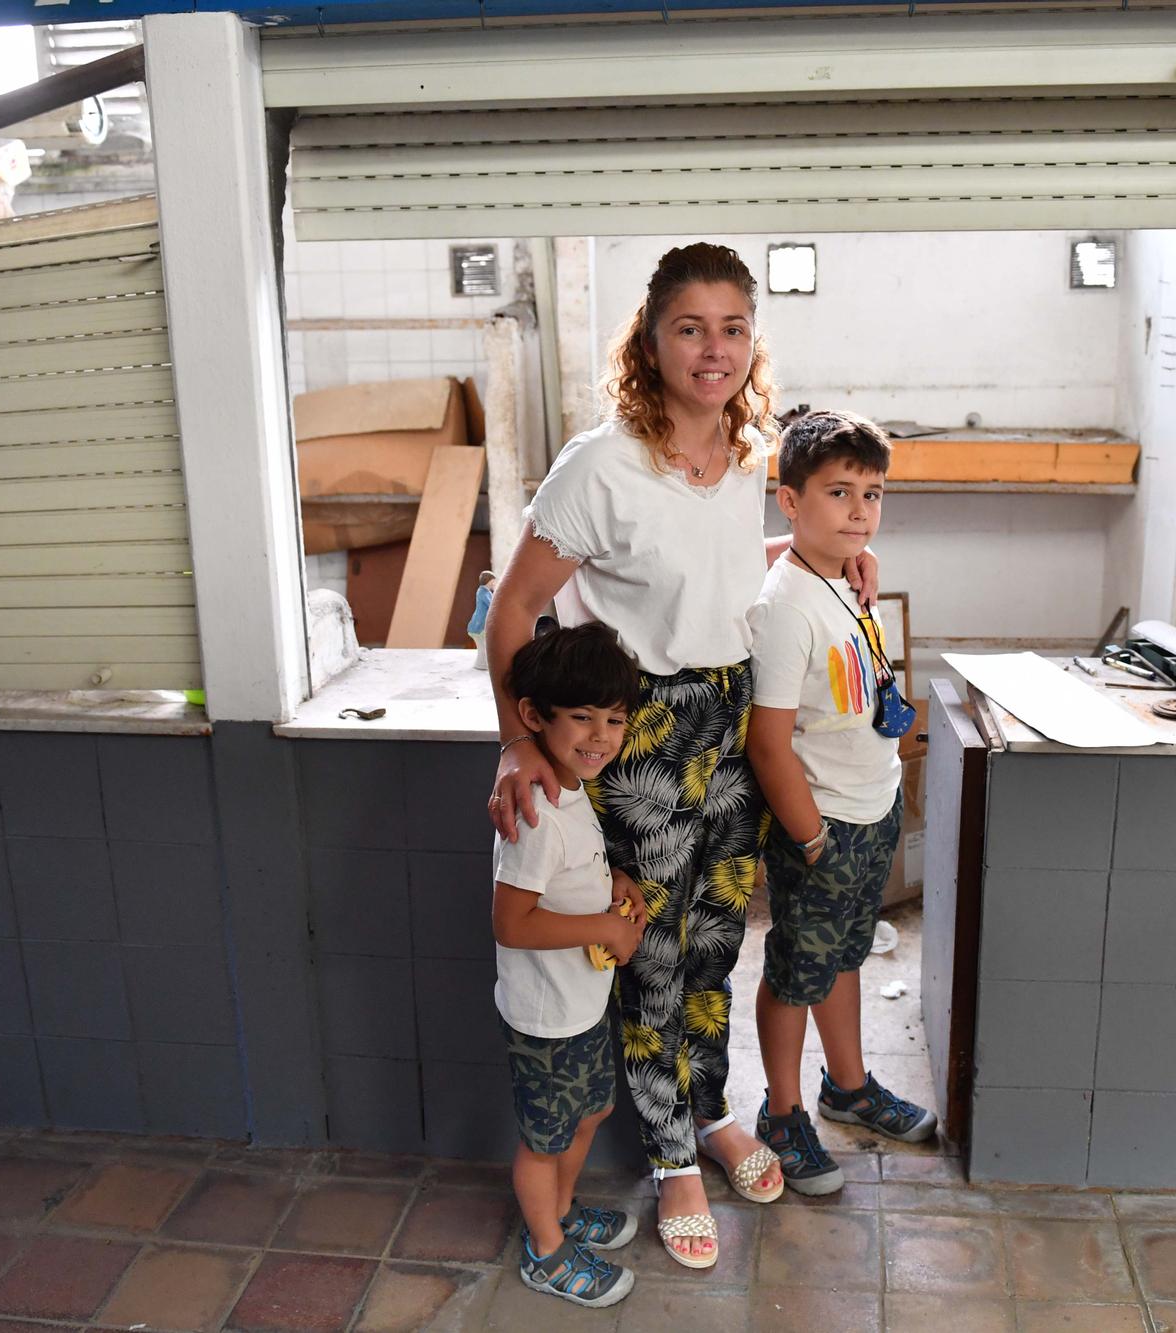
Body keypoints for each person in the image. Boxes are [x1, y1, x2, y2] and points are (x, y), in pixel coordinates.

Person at [486, 243, 873, 1268]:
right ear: (649, 342)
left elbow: (723, 568)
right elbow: (515, 606)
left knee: (713, 942)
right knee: (647, 952)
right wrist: (515, 744)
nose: (714, 349)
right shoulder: (600, 463)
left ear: (753, 341)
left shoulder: (749, 448)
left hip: (732, 713)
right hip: (644, 733)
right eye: (689, 328)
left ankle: (706, 1112)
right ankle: (670, 1161)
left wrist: (825, 557)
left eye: (732, 327)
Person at [744, 410, 938, 1196]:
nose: (860, 510)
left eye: (873, 493)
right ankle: (782, 1111)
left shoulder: (846, 574)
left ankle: (848, 1087)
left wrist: (860, 559)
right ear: (788, 501)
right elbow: (768, 741)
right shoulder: (787, 605)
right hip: (823, 823)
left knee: (842, 957)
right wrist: (811, 836)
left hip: (872, 805)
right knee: (795, 969)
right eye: (838, 493)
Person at [492, 624, 648, 1308]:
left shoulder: (571, 787)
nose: (601, 734)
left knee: (589, 1112)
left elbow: (573, 869)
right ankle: (546, 1251)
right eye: (581, 715)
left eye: (614, 718)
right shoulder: (533, 813)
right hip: (547, 1017)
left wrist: (616, 881)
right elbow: (511, 920)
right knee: (545, 1138)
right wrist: (606, 926)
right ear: (533, 716)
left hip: (580, 1004)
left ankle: (557, 1215)